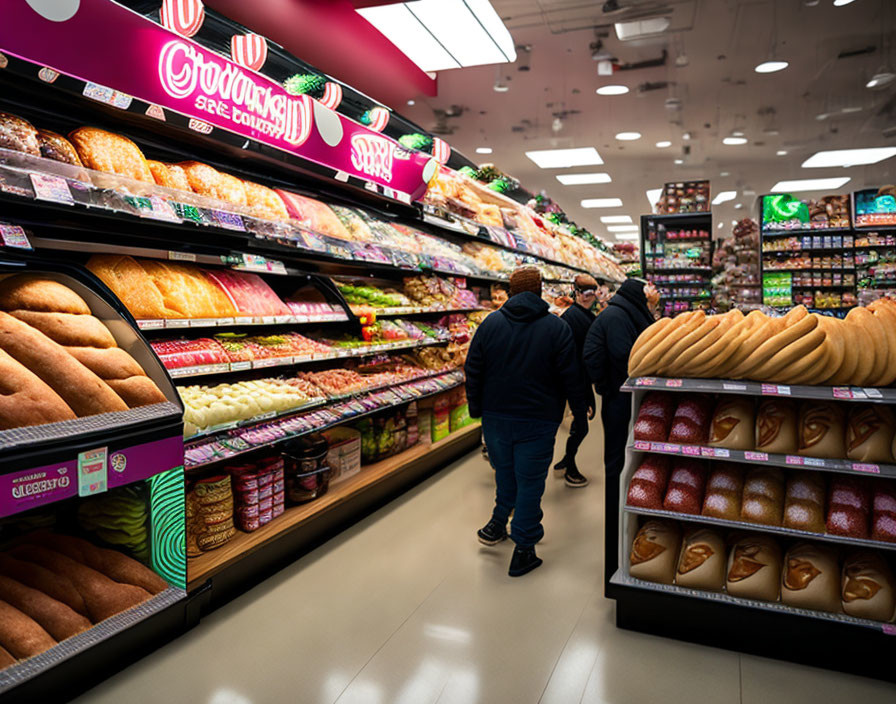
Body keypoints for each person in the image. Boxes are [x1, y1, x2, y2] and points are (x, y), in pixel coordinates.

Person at [465, 266, 587, 577]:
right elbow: (570, 375)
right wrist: (579, 410)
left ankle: (497, 524)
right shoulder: (556, 328)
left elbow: (473, 369)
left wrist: (477, 408)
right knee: (531, 483)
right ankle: (524, 547)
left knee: (505, 474)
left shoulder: (489, 324)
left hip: (496, 420)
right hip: (538, 419)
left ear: (509, 291)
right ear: (539, 291)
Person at [582, 278, 658, 583]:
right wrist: (605, 386)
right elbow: (626, 359)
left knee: (626, 454)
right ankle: (617, 519)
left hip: (620, 396)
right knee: (616, 461)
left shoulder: (624, 313)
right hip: (617, 399)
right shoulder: (616, 317)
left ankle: (628, 511)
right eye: (647, 297)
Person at [553, 274, 599, 488]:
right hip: (572, 382)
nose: (588, 297)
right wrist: (586, 393)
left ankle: (565, 461)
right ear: (576, 293)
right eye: (584, 293)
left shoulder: (581, 315)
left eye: (592, 293)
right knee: (581, 427)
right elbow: (577, 359)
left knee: (576, 426)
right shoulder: (574, 318)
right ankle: (570, 466)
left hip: (571, 381)